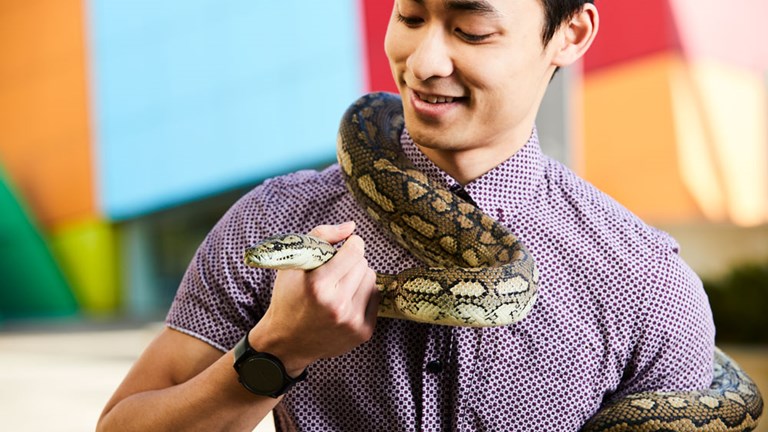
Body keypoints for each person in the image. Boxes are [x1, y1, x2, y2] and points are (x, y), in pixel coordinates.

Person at [97, 0, 715, 430]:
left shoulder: (648, 283)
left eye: (472, 30)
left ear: (571, 34)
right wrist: (276, 350)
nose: (422, 64)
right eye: (409, 17)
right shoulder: (272, 220)